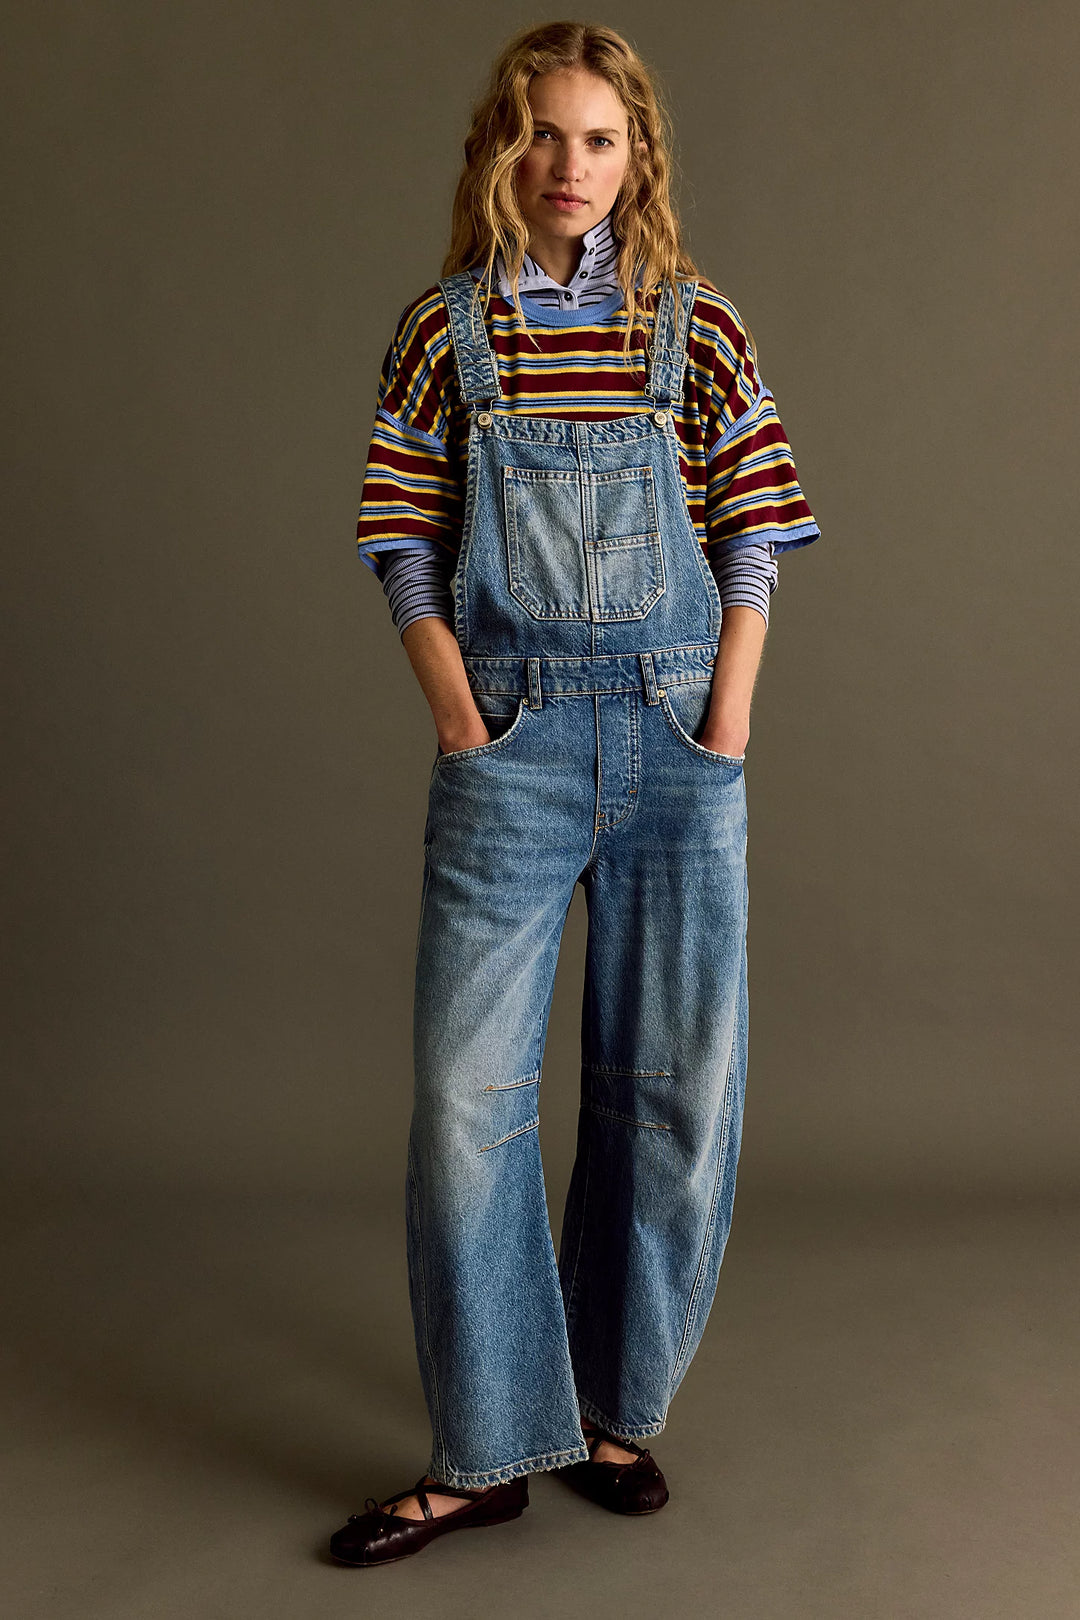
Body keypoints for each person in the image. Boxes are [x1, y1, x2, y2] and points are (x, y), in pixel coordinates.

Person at [331, 20, 820, 1568]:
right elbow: (401, 536)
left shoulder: (697, 324)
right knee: (464, 1107)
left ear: (636, 157)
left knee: (671, 1094)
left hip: (678, 749)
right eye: (543, 134)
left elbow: (753, 525)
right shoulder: (446, 331)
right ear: (503, 146)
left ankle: (611, 1410)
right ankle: (485, 1452)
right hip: (514, 751)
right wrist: (460, 718)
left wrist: (726, 723)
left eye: (599, 139)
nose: (569, 165)